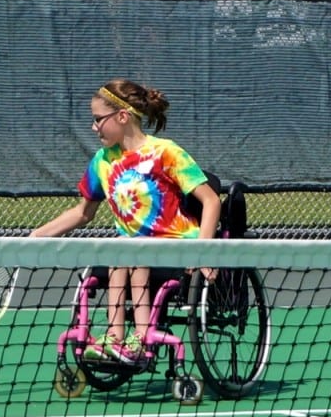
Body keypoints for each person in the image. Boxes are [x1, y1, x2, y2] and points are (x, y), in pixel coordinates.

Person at [30, 78, 220, 365]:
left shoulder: (165, 153)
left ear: (122, 116)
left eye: (98, 120)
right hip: (130, 250)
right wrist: (33, 237)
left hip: (177, 248)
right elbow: (83, 212)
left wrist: (202, 250)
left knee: (132, 254)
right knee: (120, 250)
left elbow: (211, 200)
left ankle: (142, 339)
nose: (94, 127)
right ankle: (114, 338)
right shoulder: (103, 162)